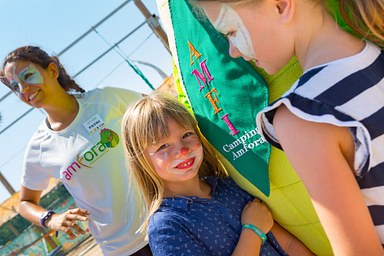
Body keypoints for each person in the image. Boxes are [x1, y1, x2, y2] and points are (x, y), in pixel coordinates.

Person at [194, 0, 384, 254]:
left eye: (231, 32)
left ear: (282, 6)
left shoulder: (302, 116)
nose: (232, 51)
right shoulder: (376, 50)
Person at [0, 46, 151, 256]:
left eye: (28, 76)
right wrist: (51, 219)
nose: (23, 89)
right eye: (15, 86)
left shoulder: (106, 98)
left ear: (52, 70)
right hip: (122, 249)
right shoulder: (39, 147)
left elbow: (165, 112)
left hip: (169, 218)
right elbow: (25, 203)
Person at [121, 92, 315, 256]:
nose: (182, 151)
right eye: (163, 146)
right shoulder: (165, 227)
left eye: (187, 135)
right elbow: (259, 224)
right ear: (141, 161)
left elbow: (288, 245)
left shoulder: (228, 186)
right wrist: (253, 231)